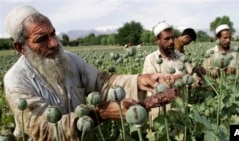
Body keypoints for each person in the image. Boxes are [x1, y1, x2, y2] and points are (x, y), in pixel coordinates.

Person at [3, 6, 181, 141]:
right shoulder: (16, 80)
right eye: (41, 39)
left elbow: (102, 82)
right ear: (20, 47)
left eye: (53, 34)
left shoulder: (69, 59)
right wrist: (99, 114)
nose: (53, 43)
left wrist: (139, 80)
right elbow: (45, 130)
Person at [142, 21, 202, 120]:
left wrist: (187, 78)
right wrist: (173, 80)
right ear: (157, 40)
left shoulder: (181, 57)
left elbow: (194, 79)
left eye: (172, 38)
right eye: (167, 38)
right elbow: (150, 84)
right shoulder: (151, 59)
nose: (171, 41)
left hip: (181, 112)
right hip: (160, 114)